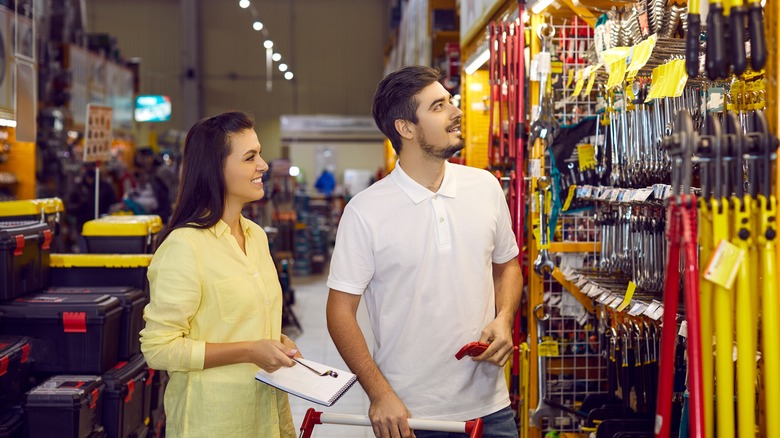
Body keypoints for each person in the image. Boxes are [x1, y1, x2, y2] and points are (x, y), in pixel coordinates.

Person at [326, 65, 523, 438]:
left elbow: (508, 267)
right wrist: (379, 394)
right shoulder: (365, 212)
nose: (456, 112)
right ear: (406, 128)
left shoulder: (485, 187)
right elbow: (339, 311)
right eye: (438, 106)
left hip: (490, 409)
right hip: (409, 415)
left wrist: (504, 317)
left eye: (450, 101)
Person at [140, 111, 301, 438]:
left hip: (264, 417)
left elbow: (243, 325)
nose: (264, 165)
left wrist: (275, 345)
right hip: (212, 423)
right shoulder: (185, 247)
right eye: (250, 157)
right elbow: (159, 349)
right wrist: (250, 350)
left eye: (260, 154)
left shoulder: (256, 237)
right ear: (216, 168)